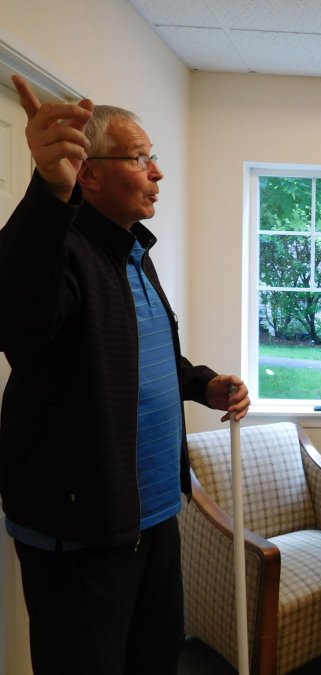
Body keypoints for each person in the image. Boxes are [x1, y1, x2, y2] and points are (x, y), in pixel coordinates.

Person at [0, 76, 251, 675]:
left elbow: (137, 355)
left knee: (154, 661)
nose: (157, 173)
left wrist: (201, 383)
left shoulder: (132, 253)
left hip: (156, 515)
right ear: (88, 173)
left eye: (153, 158)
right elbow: (22, 330)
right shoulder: (62, 250)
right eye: (141, 159)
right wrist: (47, 191)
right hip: (82, 532)